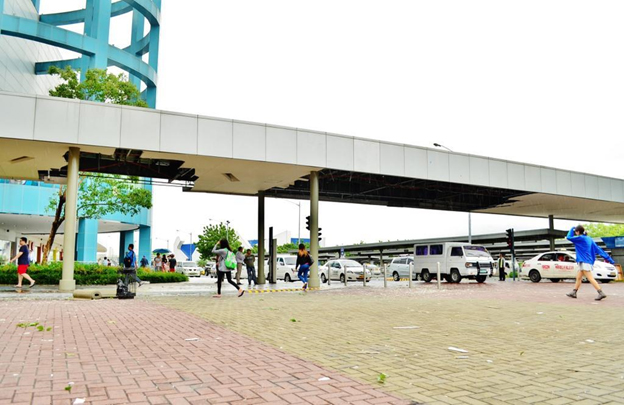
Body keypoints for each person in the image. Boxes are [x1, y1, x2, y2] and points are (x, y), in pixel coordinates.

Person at [566, 225, 614, 300]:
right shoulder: (589, 239)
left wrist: (571, 229)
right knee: (578, 277)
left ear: (578, 232)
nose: (575, 234)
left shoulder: (580, 238)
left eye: (576, 232)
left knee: (590, 278)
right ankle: (574, 292)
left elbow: (569, 237)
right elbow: (598, 249)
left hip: (584, 261)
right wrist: (609, 259)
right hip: (586, 261)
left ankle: (601, 292)